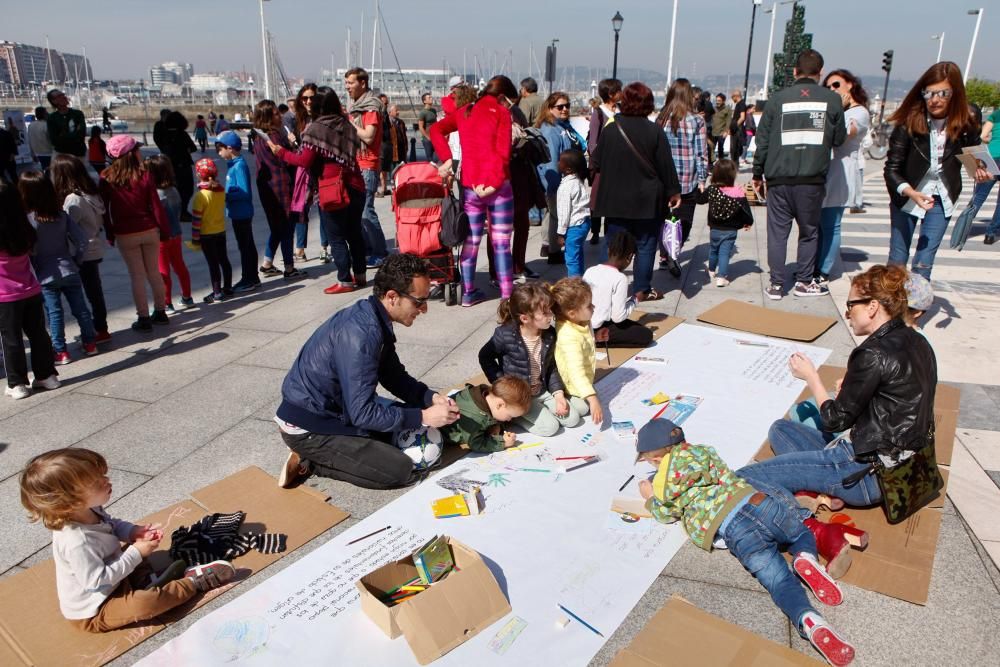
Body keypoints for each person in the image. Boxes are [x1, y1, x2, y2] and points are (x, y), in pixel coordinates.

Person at [738, 265, 936, 567]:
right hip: (900, 472)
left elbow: (834, 420)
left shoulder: (872, 352)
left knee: (746, 476)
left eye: (851, 305)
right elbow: (898, 403)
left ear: (872, 307)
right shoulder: (918, 341)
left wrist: (811, 378)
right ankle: (818, 490)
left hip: (862, 472)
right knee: (780, 429)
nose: (847, 313)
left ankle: (813, 527)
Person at [635, 419, 856, 667]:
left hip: (736, 531)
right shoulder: (703, 451)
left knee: (779, 582)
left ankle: (808, 619)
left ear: (655, 460)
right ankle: (805, 558)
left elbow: (667, 513)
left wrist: (650, 499)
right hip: (759, 503)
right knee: (800, 534)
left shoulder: (665, 484)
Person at [274, 253, 461, 490]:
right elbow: (362, 413)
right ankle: (309, 461)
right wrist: (423, 416)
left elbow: (393, 376)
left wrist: (430, 398)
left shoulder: (374, 318)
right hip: (310, 426)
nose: (424, 309)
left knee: (422, 427)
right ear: (392, 296)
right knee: (399, 470)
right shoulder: (362, 334)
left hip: (340, 411)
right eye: (419, 301)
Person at [19, 448, 235, 633]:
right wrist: (137, 552)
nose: (107, 481)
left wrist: (133, 533)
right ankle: (192, 583)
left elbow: (112, 524)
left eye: (103, 475)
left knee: (133, 550)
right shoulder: (77, 541)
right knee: (145, 603)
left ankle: (147, 581)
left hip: (116, 580)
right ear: (69, 501)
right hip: (96, 608)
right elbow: (97, 581)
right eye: (97, 482)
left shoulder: (88, 509)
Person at [753, 49, 846, 300]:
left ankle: (776, 284)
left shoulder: (777, 99)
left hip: (778, 178)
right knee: (809, 232)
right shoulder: (832, 100)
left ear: (795, 71)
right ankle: (804, 282)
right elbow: (839, 139)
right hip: (812, 179)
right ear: (821, 73)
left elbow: (762, 141)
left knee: (777, 233)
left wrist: (757, 172)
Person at [885, 62, 986, 279]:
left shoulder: (966, 123)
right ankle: (890, 308)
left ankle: (914, 308)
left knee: (924, 262)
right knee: (897, 259)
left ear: (955, 94)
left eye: (943, 93)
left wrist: (980, 170)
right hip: (907, 194)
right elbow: (891, 169)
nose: (935, 99)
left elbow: (975, 160)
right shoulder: (908, 122)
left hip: (942, 196)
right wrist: (911, 192)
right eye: (929, 93)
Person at [430, 76, 519, 306]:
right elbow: (503, 154)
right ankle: (507, 295)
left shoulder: (464, 111)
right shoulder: (501, 113)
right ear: (502, 97)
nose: (511, 106)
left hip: (470, 184)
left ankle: (468, 292)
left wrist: (447, 159)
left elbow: (436, 130)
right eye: (511, 101)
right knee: (501, 242)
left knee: (471, 241)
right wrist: (493, 182)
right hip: (498, 187)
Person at [270, 86, 367, 295]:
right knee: (354, 233)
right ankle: (360, 275)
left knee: (336, 237)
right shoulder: (347, 126)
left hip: (333, 188)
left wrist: (282, 153)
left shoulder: (316, 129)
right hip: (356, 185)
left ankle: (344, 280)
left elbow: (304, 161)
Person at [591, 81, 682, 302]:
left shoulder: (611, 128)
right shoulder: (654, 131)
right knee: (645, 245)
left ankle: (604, 288)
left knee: (613, 245)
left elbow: (597, 161)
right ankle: (642, 289)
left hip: (615, 199)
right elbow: (666, 166)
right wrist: (674, 192)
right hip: (647, 199)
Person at [478, 282, 585, 436]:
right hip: (521, 398)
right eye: (545, 312)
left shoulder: (549, 334)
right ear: (525, 318)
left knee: (575, 417)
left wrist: (558, 393)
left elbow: (551, 366)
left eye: (550, 309)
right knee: (550, 428)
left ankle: (542, 409)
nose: (551, 315)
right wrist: (502, 384)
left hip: (543, 390)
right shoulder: (504, 335)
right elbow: (485, 356)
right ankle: (515, 417)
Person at [18, 170, 97, 364]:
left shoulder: (28, 220)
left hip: (45, 275)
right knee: (81, 309)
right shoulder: (61, 216)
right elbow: (81, 240)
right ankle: (90, 343)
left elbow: (28, 250)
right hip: (68, 267)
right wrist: (76, 259)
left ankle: (61, 351)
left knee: (54, 314)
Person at [99, 135, 171, 332]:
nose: (140, 152)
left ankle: (144, 317)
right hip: (149, 229)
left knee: (137, 276)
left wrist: (109, 232)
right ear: (131, 154)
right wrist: (163, 230)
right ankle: (161, 311)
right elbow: (156, 206)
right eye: (137, 149)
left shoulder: (106, 178)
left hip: (125, 232)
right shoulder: (145, 175)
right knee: (154, 272)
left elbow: (105, 209)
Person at [0, 181, 59, 399]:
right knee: (38, 334)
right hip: (31, 289)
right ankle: (46, 375)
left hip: (5, 295)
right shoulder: (24, 227)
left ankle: (17, 384)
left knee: (11, 338)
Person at [50, 155, 112, 343]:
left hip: (80, 252)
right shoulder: (90, 192)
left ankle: (93, 330)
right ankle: (101, 327)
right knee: (95, 290)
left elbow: (68, 227)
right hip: (94, 247)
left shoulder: (72, 200)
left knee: (80, 295)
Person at [817, 70, 871, 285]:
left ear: (850, 84)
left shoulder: (859, 112)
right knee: (821, 223)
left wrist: (835, 110)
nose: (832, 90)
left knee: (831, 223)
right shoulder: (840, 110)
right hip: (828, 168)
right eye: (828, 87)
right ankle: (816, 265)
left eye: (836, 85)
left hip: (843, 171)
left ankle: (824, 269)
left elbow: (844, 135)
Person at [656, 78, 708, 277]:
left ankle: (664, 256)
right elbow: (701, 153)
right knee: (684, 221)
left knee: (664, 219)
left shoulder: (660, 119)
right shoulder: (696, 120)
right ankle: (673, 252)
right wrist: (702, 179)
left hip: (663, 178)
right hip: (687, 179)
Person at [253, 100, 305, 282]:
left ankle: (267, 263)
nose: (279, 116)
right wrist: (292, 144)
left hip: (268, 189)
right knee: (286, 228)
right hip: (281, 187)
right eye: (275, 114)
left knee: (276, 227)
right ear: (267, 117)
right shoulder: (274, 138)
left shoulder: (259, 137)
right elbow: (288, 160)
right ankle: (289, 267)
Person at [535, 92, 587, 265]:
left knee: (552, 215)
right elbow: (551, 161)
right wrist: (557, 186)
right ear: (549, 109)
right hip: (555, 181)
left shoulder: (561, 127)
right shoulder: (551, 131)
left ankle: (548, 245)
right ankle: (554, 252)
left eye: (567, 106)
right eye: (560, 107)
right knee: (557, 216)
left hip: (561, 180)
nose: (565, 109)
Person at [345, 67, 388, 269]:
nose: (347, 87)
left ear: (362, 83)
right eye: (346, 83)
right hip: (356, 162)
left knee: (365, 211)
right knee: (356, 212)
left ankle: (380, 252)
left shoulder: (370, 108)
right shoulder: (355, 106)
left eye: (351, 83)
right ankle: (369, 249)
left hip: (367, 163)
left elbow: (369, 136)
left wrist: (351, 123)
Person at [583, 232, 654, 348]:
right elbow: (618, 317)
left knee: (634, 326)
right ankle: (598, 340)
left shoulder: (590, 270)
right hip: (600, 327)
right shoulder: (620, 278)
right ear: (630, 257)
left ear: (608, 250)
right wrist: (636, 299)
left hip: (584, 323)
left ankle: (592, 337)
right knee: (645, 335)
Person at [552, 277, 605, 426]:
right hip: (569, 382)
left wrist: (597, 338)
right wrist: (592, 398)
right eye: (589, 306)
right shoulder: (568, 336)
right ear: (572, 313)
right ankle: (557, 400)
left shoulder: (580, 321)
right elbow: (576, 371)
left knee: (584, 406)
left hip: (580, 379)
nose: (593, 307)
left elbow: (584, 341)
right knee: (584, 408)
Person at [694, 159, 754, 287]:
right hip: (731, 230)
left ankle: (711, 270)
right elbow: (746, 212)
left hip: (714, 228)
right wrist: (748, 222)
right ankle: (721, 277)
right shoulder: (738, 192)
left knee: (713, 250)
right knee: (724, 253)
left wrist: (698, 188)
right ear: (733, 175)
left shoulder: (712, 190)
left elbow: (699, 200)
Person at [145, 155, 192, 313]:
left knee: (162, 270)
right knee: (179, 266)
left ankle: (166, 302)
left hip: (161, 238)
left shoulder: (156, 195)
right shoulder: (173, 190)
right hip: (176, 234)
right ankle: (187, 296)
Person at [213, 131, 258, 293]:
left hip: (242, 213)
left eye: (220, 150)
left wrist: (225, 195)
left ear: (230, 148)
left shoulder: (239, 166)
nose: (219, 153)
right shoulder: (233, 165)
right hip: (238, 213)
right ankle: (253, 276)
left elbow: (244, 191)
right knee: (247, 245)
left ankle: (248, 278)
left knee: (245, 247)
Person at [438, 377, 532, 452]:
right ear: (500, 405)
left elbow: (491, 415)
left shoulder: (486, 394)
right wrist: (503, 443)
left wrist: (496, 426)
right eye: (510, 416)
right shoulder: (474, 418)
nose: (509, 420)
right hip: (438, 433)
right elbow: (476, 443)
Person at [187, 158, 232, 303]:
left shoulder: (200, 196)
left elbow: (196, 221)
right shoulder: (221, 190)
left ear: (199, 175)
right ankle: (228, 288)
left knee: (213, 264)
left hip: (207, 234)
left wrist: (195, 239)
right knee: (224, 260)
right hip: (220, 231)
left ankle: (217, 292)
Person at [587, 78, 623, 245]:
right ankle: (595, 231)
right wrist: (597, 162)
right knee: (596, 201)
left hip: (618, 165)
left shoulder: (621, 111)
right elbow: (593, 142)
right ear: (611, 94)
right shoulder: (599, 114)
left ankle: (610, 232)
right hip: (602, 166)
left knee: (613, 202)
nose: (621, 93)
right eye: (618, 90)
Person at [961, 101, 1000, 245]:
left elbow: (982, 136)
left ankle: (963, 229)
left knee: (979, 196)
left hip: (992, 157)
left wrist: (992, 140)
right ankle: (990, 234)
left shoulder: (996, 115)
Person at [289, 83, 319, 262]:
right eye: (305, 98)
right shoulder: (299, 120)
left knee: (324, 209)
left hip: (320, 170)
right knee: (302, 209)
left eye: (312, 98)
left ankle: (324, 246)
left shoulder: (321, 118)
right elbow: (301, 149)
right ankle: (300, 249)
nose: (308, 101)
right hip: (304, 172)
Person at [556, 149, 591, 277]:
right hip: (584, 223)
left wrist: (560, 233)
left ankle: (574, 286)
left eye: (561, 161)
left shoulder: (566, 186)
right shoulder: (578, 180)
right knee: (578, 253)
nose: (558, 162)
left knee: (571, 258)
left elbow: (564, 212)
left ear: (568, 169)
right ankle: (579, 280)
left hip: (573, 226)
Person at [161, 111, 197, 222]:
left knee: (174, 190)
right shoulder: (182, 134)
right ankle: (183, 212)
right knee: (187, 190)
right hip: (184, 165)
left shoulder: (165, 134)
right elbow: (193, 148)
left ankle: (175, 212)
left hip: (170, 166)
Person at [45, 90, 86, 157]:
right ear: (54, 101)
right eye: (59, 96)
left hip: (79, 154)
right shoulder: (52, 118)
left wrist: (63, 135)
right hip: (61, 155)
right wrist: (75, 134)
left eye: (63, 95)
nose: (64, 97)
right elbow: (54, 140)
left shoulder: (78, 114)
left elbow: (81, 134)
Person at [380, 104, 408, 194]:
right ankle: (385, 189)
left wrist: (406, 147)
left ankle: (398, 186)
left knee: (399, 169)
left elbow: (404, 136)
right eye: (396, 110)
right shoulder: (385, 123)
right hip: (388, 150)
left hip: (399, 150)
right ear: (390, 112)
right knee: (386, 170)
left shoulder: (401, 122)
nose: (398, 112)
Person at [710, 94, 732, 164]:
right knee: (711, 147)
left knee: (720, 148)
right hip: (713, 132)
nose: (717, 102)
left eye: (719, 100)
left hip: (721, 132)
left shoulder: (727, 109)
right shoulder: (713, 109)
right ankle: (712, 161)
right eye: (716, 100)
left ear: (723, 101)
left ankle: (721, 163)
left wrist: (726, 131)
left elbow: (728, 121)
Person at [418, 92, 437, 162]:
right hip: (427, 140)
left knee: (436, 158)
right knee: (430, 159)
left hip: (435, 138)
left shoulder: (434, 111)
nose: (431, 98)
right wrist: (428, 138)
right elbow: (420, 127)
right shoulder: (422, 113)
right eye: (429, 98)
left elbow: (436, 123)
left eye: (431, 97)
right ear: (424, 101)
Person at [728, 90, 747, 163]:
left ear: (735, 96)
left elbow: (742, 117)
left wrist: (735, 126)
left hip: (738, 130)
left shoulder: (741, 104)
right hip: (736, 129)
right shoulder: (739, 104)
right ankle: (735, 165)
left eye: (732, 97)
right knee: (734, 149)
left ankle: (735, 166)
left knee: (735, 149)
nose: (732, 99)